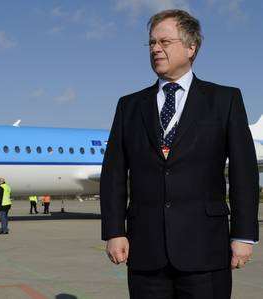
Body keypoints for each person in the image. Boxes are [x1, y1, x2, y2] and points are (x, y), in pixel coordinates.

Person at [100, 9, 259, 299]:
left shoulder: (225, 100)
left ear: (191, 47)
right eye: (151, 43)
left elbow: (243, 173)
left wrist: (243, 235)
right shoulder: (129, 106)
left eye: (164, 42)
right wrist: (113, 231)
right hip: (146, 251)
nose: (155, 49)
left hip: (206, 249)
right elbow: (113, 174)